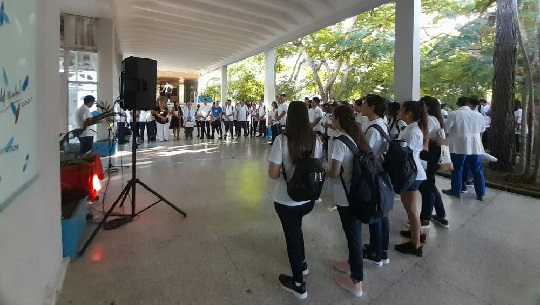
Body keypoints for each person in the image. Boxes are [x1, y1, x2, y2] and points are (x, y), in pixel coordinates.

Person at [267, 101, 322, 300]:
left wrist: (285, 171)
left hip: (286, 199)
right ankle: (303, 263)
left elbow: (273, 174)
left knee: (292, 237)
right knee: (297, 229)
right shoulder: (316, 139)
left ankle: (298, 284)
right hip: (308, 199)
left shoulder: (282, 140)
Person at [326, 104, 370, 297]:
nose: (331, 121)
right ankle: (351, 263)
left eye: (333, 117)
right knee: (352, 232)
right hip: (358, 191)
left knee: (353, 235)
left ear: (340, 120)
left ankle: (356, 281)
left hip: (347, 195)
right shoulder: (356, 136)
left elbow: (334, 172)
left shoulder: (339, 142)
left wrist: (321, 167)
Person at [395, 101, 428, 257]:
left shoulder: (413, 131)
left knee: (412, 209)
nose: (398, 112)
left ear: (408, 113)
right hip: (411, 172)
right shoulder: (411, 128)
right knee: (410, 207)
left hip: (411, 173)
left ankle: (415, 244)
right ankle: (417, 232)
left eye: (401, 110)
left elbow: (403, 153)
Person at [361, 94, 390, 266]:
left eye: (365, 104)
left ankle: (375, 252)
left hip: (373, 172)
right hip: (380, 171)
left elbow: (367, 153)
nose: (362, 107)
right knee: (382, 211)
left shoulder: (373, 129)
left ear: (372, 107)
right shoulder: (381, 124)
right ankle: (381, 248)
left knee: (375, 211)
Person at [442, 96, 486, 201]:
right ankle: (480, 193)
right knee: (477, 170)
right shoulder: (479, 115)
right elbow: (482, 130)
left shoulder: (454, 114)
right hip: (476, 146)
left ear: (458, 104)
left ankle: (456, 190)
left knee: (457, 169)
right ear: (469, 104)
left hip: (458, 146)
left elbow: (446, 129)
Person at [418, 96, 449, 229]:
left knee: (427, 187)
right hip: (434, 155)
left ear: (428, 107)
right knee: (430, 184)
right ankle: (441, 214)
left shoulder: (430, 119)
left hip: (430, 155)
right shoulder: (436, 119)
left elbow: (422, 136)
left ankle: (425, 218)